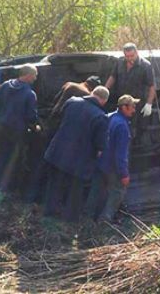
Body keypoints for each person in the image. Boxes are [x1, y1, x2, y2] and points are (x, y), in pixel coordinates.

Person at [42, 86, 109, 221]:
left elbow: (60, 120)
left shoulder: (71, 102)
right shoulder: (101, 117)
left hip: (57, 153)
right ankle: (70, 220)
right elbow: (100, 145)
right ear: (104, 101)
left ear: (92, 93)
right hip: (78, 161)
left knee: (54, 185)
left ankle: (49, 215)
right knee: (75, 192)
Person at [85, 94, 138, 223]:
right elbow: (121, 154)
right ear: (124, 107)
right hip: (112, 166)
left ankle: (86, 218)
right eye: (132, 107)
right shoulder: (122, 127)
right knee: (118, 191)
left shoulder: (108, 117)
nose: (134, 110)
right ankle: (105, 221)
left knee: (96, 190)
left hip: (100, 162)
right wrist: (124, 174)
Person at [0, 64, 41, 193]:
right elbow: (31, 117)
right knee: (14, 161)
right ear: (28, 75)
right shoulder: (30, 94)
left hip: (1, 128)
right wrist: (36, 126)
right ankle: (11, 190)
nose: (35, 78)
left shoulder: (6, 85)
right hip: (17, 132)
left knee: (0, 157)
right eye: (35, 75)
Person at [105, 43, 156, 118]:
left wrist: (149, 103)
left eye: (132, 56)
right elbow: (113, 77)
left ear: (136, 53)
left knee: (136, 127)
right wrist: (105, 90)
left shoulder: (145, 66)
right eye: (127, 56)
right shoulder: (120, 62)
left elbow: (152, 86)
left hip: (137, 104)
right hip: (122, 102)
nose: (130, 58)